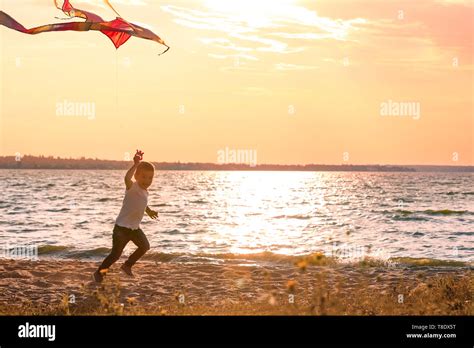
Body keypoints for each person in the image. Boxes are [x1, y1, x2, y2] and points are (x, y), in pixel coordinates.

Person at [93, 150, 158, 282]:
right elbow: (126, 178)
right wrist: (136, 164)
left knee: (145, 246)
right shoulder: (132, 186)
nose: (147, 180)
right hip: (121, 229)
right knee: (115, 255)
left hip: (134, 229)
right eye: (144, 177)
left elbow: (141, 204)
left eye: (150, 178)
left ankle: (127, 265)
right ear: (137, 176)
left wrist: (149, 211)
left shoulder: (145, 192)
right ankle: (99, 273)